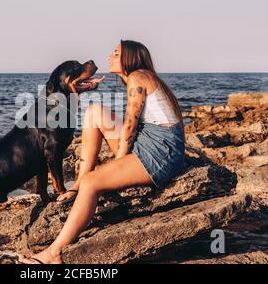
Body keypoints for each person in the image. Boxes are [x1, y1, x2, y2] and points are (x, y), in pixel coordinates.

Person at [19, 40, 185, 264]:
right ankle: (77, 184)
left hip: (160, 152)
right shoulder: (140, 76)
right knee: (94, 112)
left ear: (129, 57)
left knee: (93, 182)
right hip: (151, 142)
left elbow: (130, 125)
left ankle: (53, 253)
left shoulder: (138, 77)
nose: (109, 56)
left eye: (116, 53)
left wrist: (118, 164)